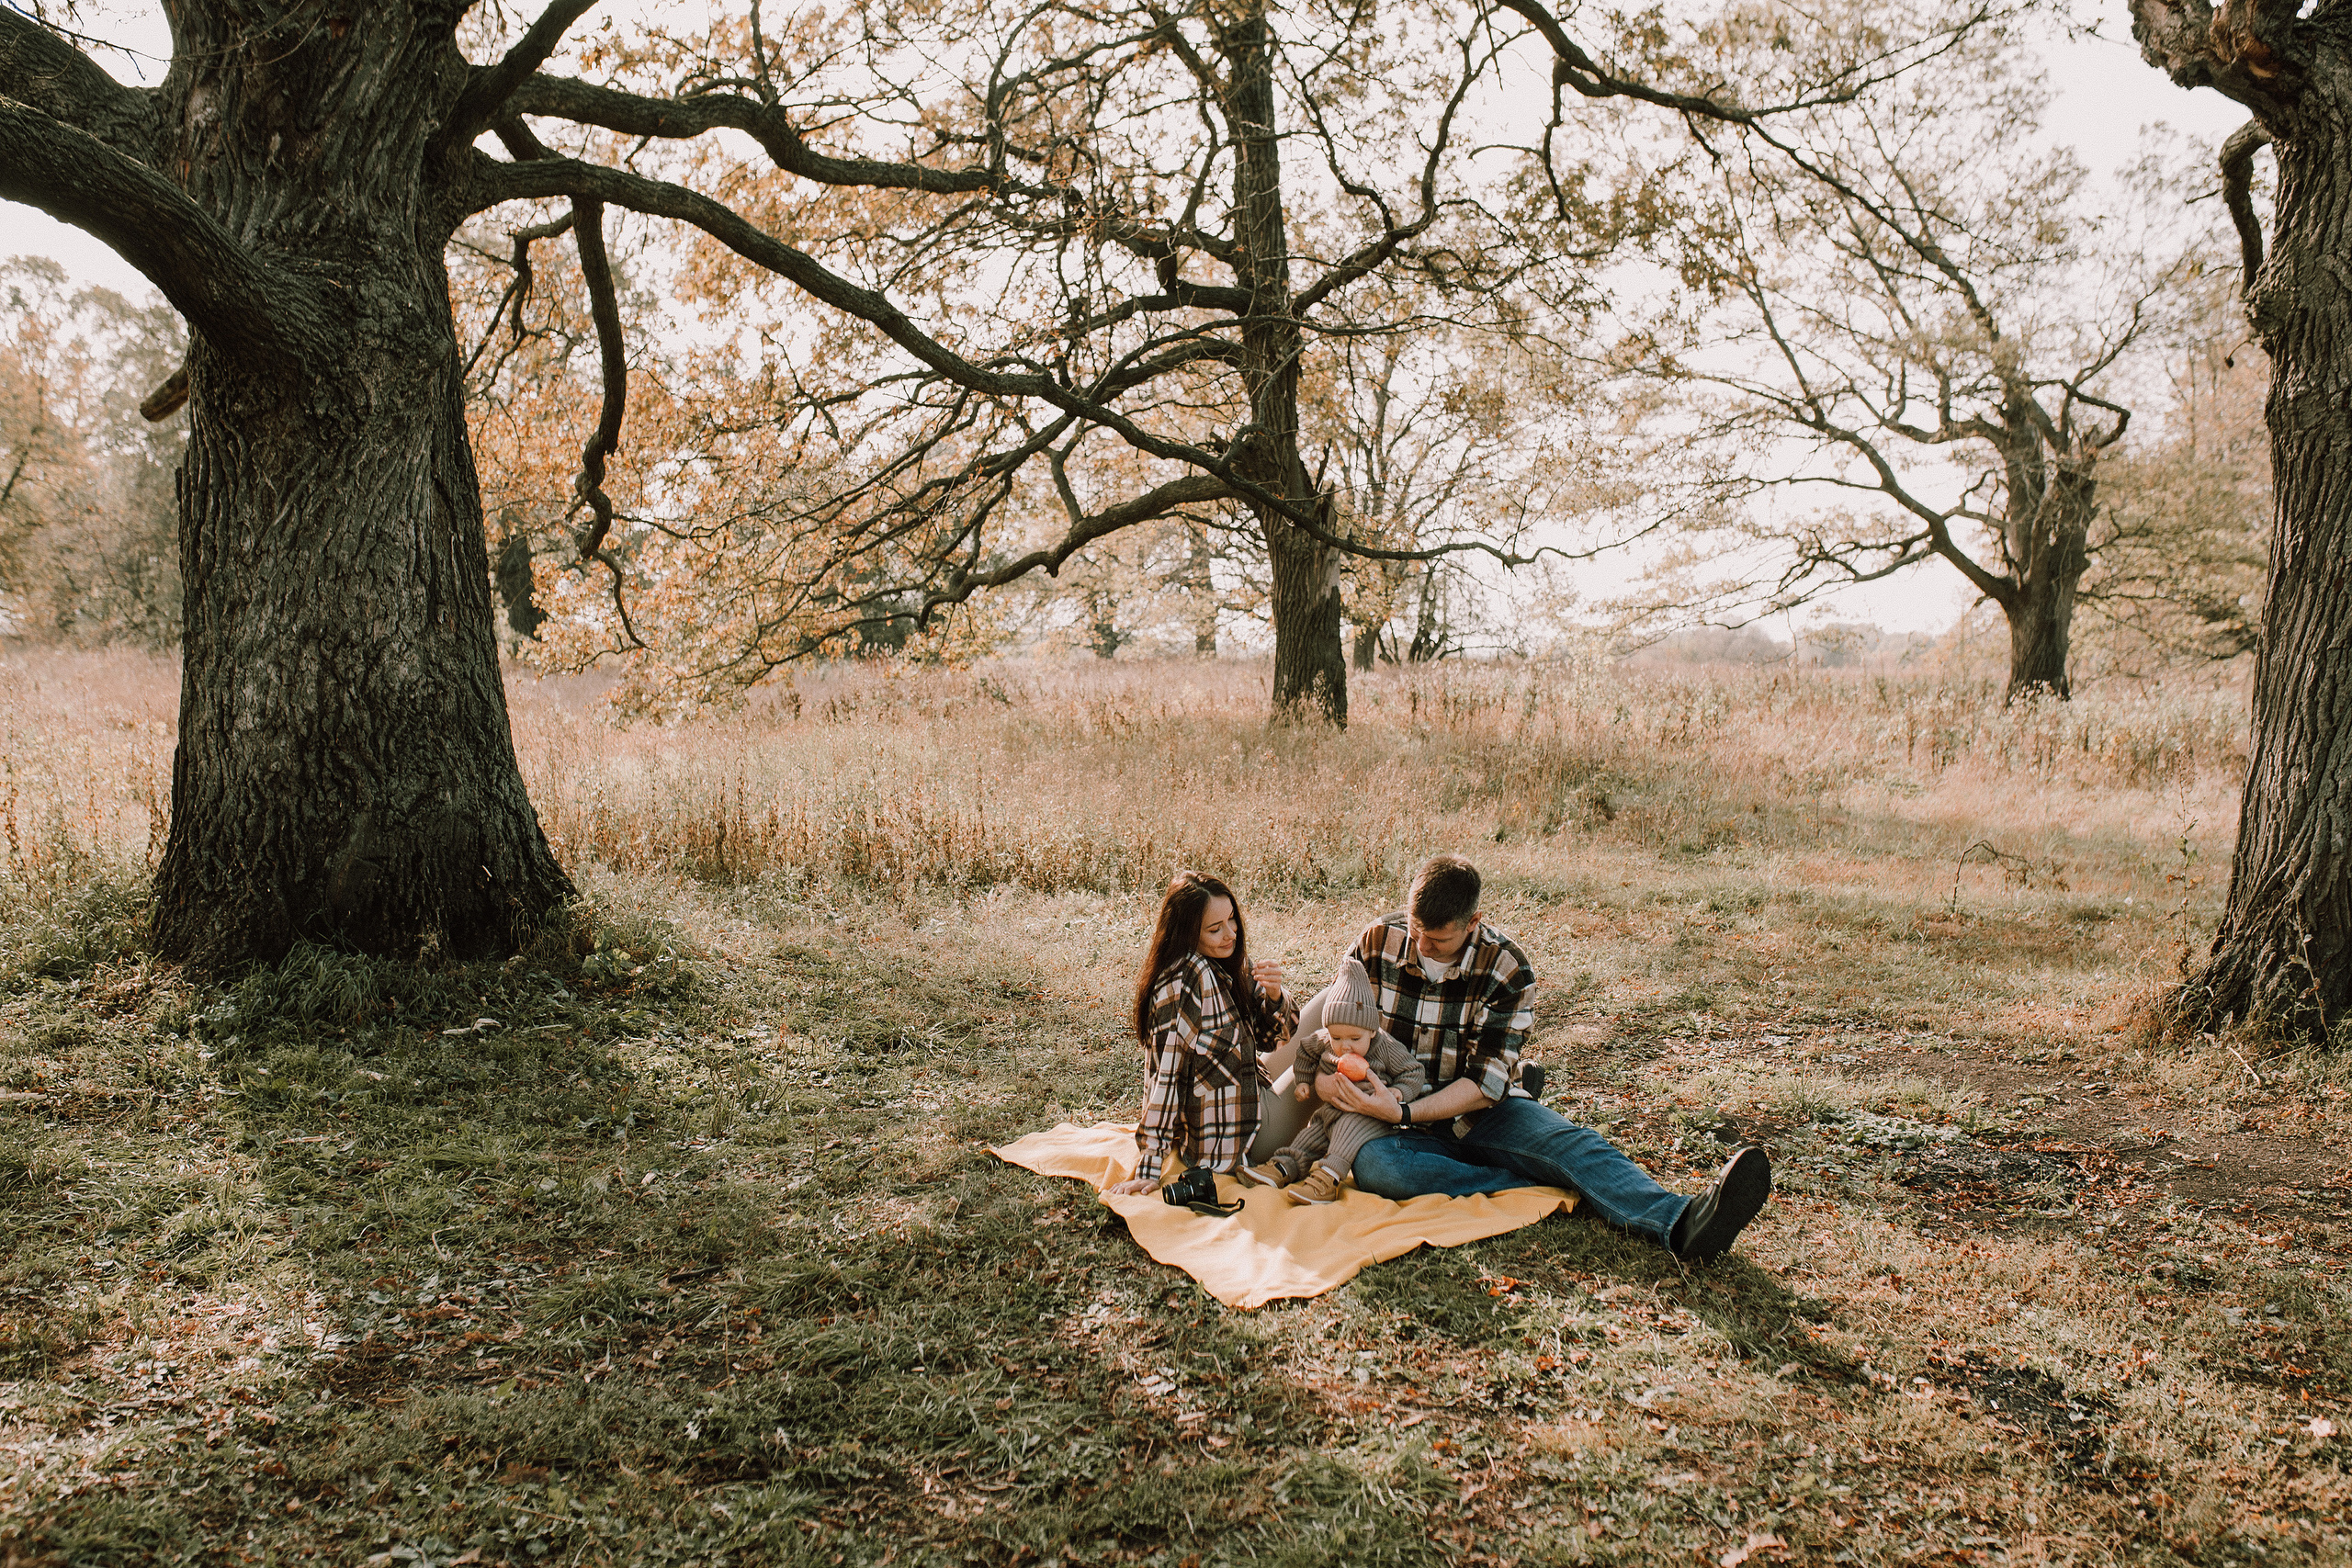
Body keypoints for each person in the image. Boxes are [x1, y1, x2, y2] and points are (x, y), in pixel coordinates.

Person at [1311, 854, 1772, 1260]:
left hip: (1475, 1106)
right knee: (1377, 1168)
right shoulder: (1375, 943)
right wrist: (1327, 1083)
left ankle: (1682, 1221)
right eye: (1415, 931)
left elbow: (1483, 1085)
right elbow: (1337, 1029)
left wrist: (1407, 1107)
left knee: (1571, 1145)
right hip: (1392, 1123)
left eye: (1439, 939)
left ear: (1473, 923)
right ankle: (1521, 1179)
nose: (1422, 947)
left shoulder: (1508, 968)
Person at [1106, 870, 1295, 1197]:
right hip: (1243, 1136)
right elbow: (1162, 1077)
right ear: (1187, 932)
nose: (1230, 934)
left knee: (1326, 1007)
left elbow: (1274, 1039)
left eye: (1232, 920)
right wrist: (1151, 1163)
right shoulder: (1182, 983)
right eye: (1215, 928)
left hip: (1251, 1087)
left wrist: (1276, 997)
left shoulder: (1228, 961)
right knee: (1325, 1057)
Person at [1242, 957, 1430, 1204]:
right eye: (1337, 1038)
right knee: (1314, 1133)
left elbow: (1413, 1071)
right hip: (1332, 1109)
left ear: (1372, 1030)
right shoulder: (1324, 1040)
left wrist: (1398, 1092)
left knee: (1345, 1133)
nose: (1345, 1046)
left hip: (1368, 1114)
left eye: (1354, 1038)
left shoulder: (1384, 1047)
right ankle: (1284, 1166)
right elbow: (1306, 1051)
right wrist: (1304, 1082)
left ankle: (1327, 1178)